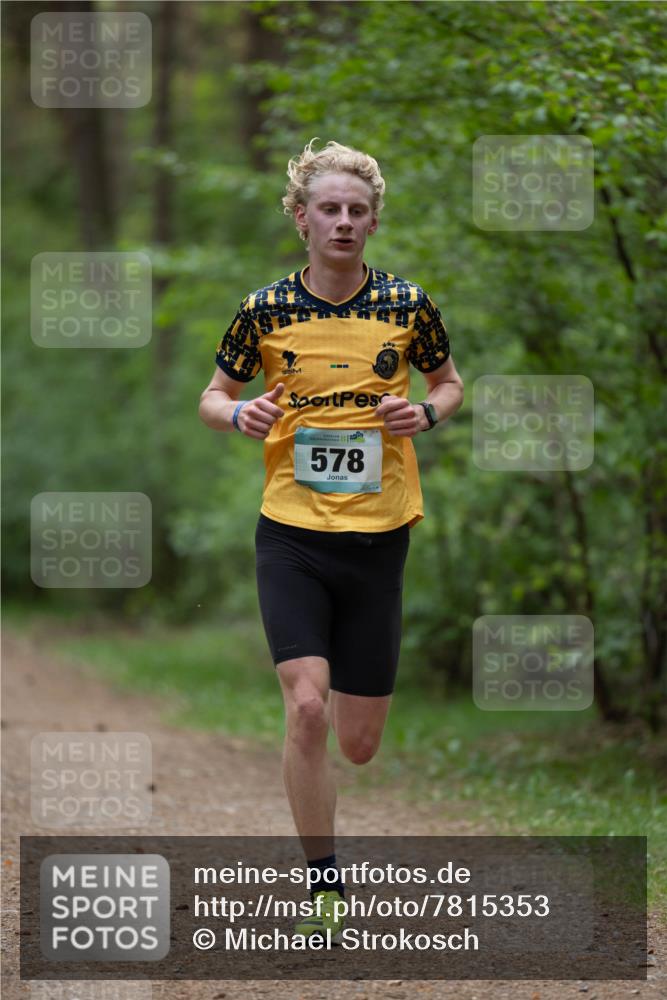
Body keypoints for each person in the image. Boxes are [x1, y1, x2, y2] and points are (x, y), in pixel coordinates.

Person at [198, 138, 464, 944]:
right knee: (306, 708)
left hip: (380, 535)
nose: (343, 222)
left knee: (358, 742)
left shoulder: (408, 306)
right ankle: (324, 882)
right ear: (302, 218)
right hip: (291, 532)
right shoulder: (264, 310)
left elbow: (448, 382)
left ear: (372, 220)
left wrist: (424, 413)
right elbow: (215, 395)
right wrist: (239, 414)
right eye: (329, 209)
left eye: (356, 210)